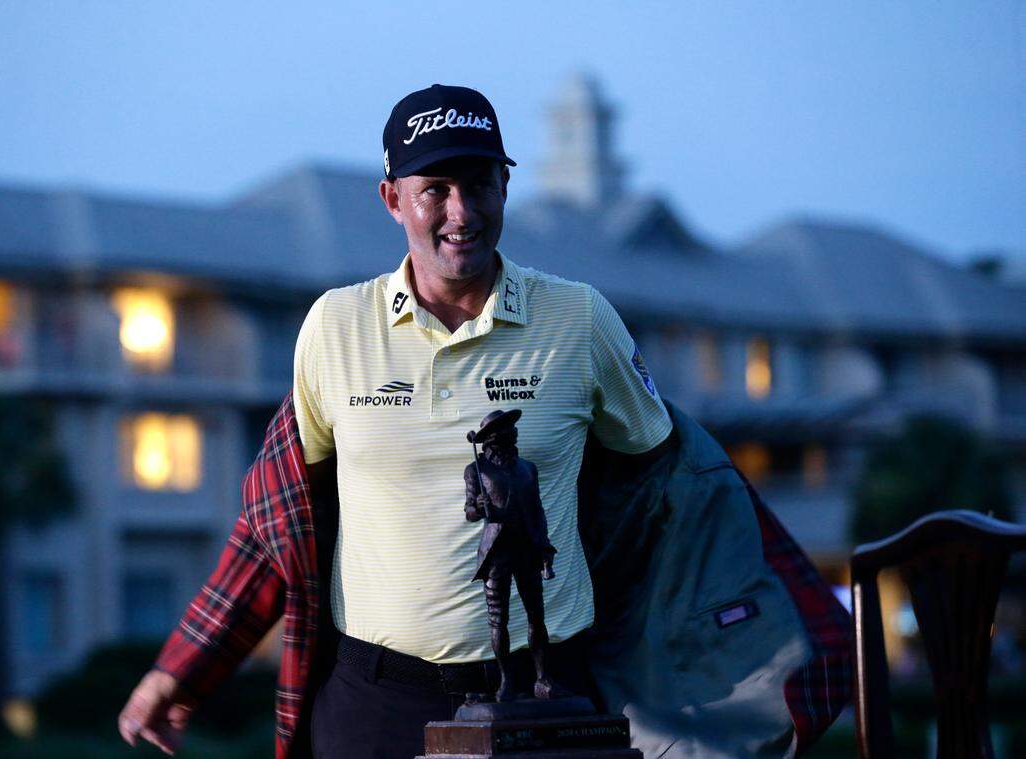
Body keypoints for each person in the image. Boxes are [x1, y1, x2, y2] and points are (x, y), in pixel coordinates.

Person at [118, 84, 852, 759]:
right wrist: (179, 669)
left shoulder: (578, 318)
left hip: (543, 699)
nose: (459, 211)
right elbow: (275, 524)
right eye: (434, 188)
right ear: (392, 199)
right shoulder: (335, 328)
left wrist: (732, 637)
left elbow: (671, 487)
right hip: (374, 698)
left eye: (478, 183)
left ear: (506, 185)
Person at [464, 408, 563, 703]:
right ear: (493, 438)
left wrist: (544, 547)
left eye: (513, 428)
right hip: (496, 554)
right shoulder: (476, 470)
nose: (514, 433)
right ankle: (506, 682)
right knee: (499, 619)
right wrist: (479, 506)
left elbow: (537, 511)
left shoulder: (527, 469)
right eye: (507, 429)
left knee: (537, 616)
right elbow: (469, 512)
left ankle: (542, 679)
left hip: (527, 550)